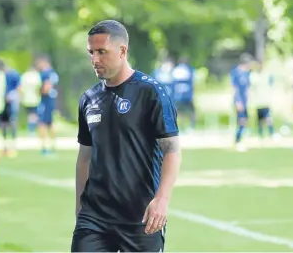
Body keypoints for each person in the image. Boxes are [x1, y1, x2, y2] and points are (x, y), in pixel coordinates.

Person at [72, 20, 181, 252]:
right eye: (91, 52)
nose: (95, 59)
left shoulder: (151, 92)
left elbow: (172, 151)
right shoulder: (89, 99)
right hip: (94, 218)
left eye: (102, 52)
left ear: (122, 51)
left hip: (141, 217)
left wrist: (162, 200)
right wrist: (80, 208)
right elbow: (85, 157)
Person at [35, 55, 59, 154]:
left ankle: (44, 147)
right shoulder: (53, 73)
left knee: (42, 123)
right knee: (50, 122)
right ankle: (52, 145)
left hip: (45, 100)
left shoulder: (45, 74)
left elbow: (46, 86)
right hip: (52, 99)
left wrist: (40, 91)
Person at [230, 53, 253, 152]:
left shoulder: (247, 73)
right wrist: (238, 101)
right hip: (239, 101)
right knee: (241, 120)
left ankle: (240, 139)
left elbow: (247, 88)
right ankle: (237, 140)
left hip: (245, 101)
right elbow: (235, 89)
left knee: (245, 120)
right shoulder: (236, 72)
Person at [249, 61, 277, 141]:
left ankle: (272, 133)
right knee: (260, 121)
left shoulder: (267, 75)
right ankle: (260, 135)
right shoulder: (254, 75)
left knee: (268, 118)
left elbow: (271, 84)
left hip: (266, 101)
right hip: (258, 102)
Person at [172, 57, 196, 132]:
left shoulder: (176, 70)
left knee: (181, 112)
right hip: (186, 95)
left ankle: (183, 127)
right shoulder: (190, 70)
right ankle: (190, 127)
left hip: (179, 95)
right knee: (191, 111)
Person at [4, 64, 21, 157]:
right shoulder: (3, 75)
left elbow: (19, 87)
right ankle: (7, 143)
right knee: (6, 122)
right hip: (5, 102)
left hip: (12, 99)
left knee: (13, 120)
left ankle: (13, 142)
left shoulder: (13, 75)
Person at [20, 66, 43, 135]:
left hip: (26, 100)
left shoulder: (24, 76)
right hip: (35, 99)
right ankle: (32, 129)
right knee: (34, 115)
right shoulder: (37, 76)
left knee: (30, 115)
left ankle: (31, 129)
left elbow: (21, 88)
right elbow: (39, 87)